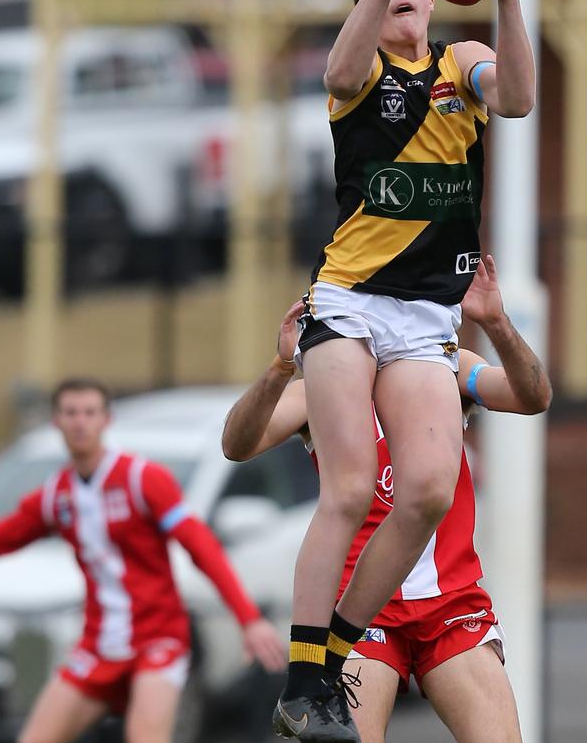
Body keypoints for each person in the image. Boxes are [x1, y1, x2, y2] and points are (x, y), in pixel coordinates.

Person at [276, 0, 536, 738]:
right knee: (351, 486)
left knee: (424, 488)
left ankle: (333, 653)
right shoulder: (361, 74)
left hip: (425, 316)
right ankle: (303, 674)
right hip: (351, 302)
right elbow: (339, 67)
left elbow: (522, 100)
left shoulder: (462, 64)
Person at [222, 255, 551, 743]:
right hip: (362, 615)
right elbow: (237, 444)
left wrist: (496, 322)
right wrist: (278, 367)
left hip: (450, 604)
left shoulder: (445, 367)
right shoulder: (320, 389)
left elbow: (531, 397)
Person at [0, 378, 286, 743]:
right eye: (70, 413)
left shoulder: (141, 479)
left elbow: (200, 546)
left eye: (89, 412)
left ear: (106, 420)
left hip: (156, 642)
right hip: (97, 646)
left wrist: (248, 619)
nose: (80, 422)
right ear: (56, 423)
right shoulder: (56, 497)